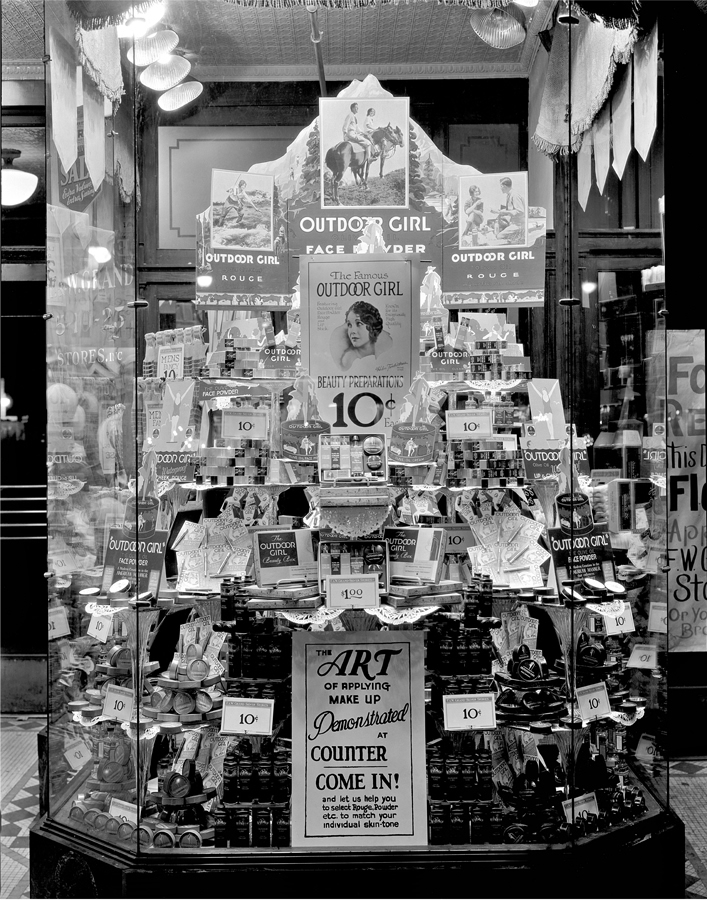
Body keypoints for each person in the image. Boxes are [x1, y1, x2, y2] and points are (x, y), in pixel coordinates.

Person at [330, 300, 393, 371]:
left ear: (371, 326)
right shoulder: (349, 360)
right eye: (349, 325)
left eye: (359, 323)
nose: (352, 331)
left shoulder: (383, 353)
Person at [490, 176, 526, 244]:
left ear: (504, 186)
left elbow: (520, 211)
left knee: (499, 236)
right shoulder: (509, 194)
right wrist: (498, 211)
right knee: (494, 226)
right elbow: (510, 209)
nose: (500, 188)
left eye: (501, 186)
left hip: (518, 225)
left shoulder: (514, 195)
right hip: (513, 222)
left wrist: (499, 212)